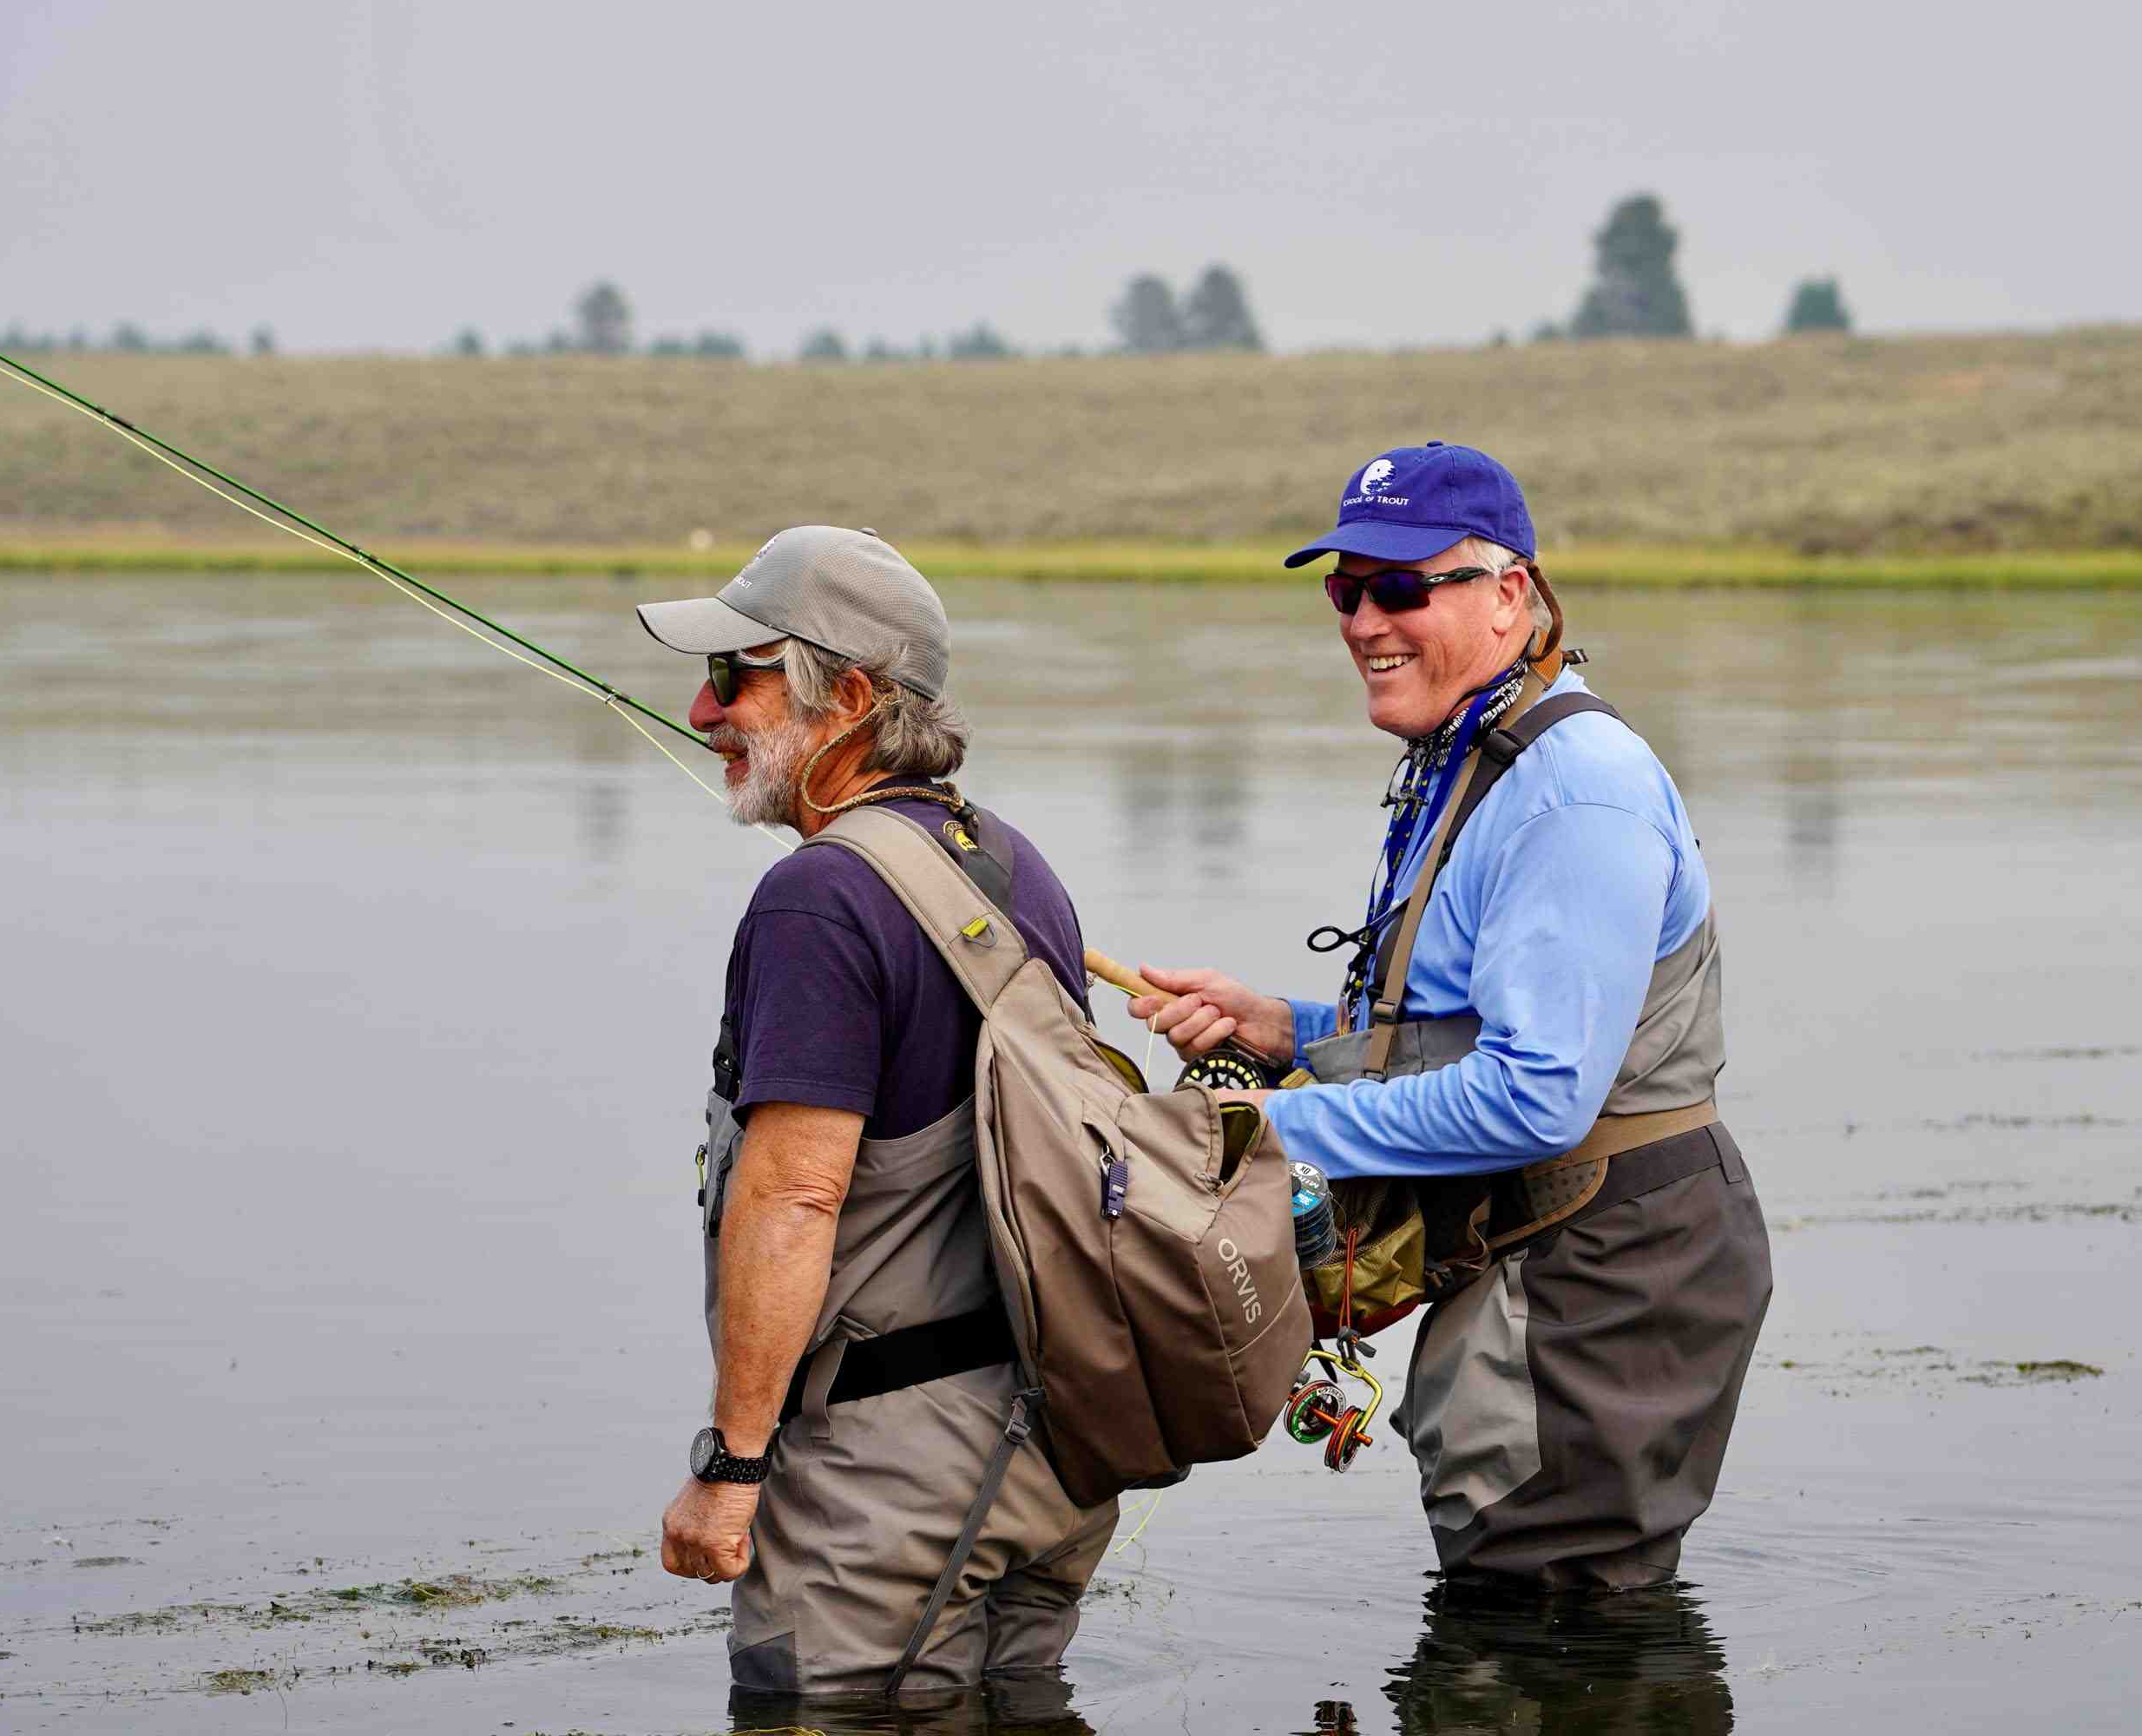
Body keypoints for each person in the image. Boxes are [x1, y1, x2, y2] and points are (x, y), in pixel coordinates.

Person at [1131, 443, 1771, 1591]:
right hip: (1538, 1246)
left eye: (1400, 588)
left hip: (1606, 1267)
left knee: (1551, 1628)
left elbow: (1538, 1091)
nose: (1363, 622)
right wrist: (1283, 1028)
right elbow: (1475, 1021)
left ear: (1509, 596)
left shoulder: (1575, 789)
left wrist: (1265, 1137)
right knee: (1522, 1604)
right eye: (1344, 590)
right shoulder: (1482, 756)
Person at [641, 527, 1117, 1694]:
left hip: (884, 1488)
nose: (704, 715)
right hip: (1053, 1446)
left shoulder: (817, 899)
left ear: (847, 697)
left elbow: (796, 1194)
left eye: (732, 678)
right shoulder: (1013, 863)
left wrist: (732, 1466)